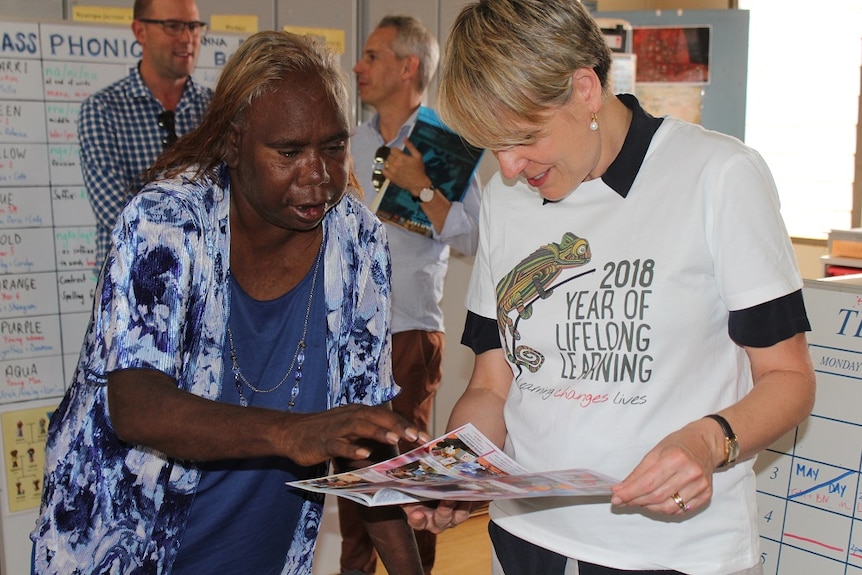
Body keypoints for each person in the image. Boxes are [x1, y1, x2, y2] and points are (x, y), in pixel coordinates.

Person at [405, 1, 816, 574]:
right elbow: (494, 386)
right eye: (492, 146)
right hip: (527, 537)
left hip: (672, 549)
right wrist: (460, 470)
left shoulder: (719, 176)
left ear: (584, 89)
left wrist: (706, 441)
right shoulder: (509, 197)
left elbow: (789, 379)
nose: (508, 168)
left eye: (523, 138)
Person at [31, 30, 427, 575]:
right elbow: (136, 405)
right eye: (289, 152)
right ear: (235, 143)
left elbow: (362, 440)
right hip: (121, 551)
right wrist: (294, 432)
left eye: (333, 147)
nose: (317, 174)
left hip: (262, 554)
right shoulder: (165, 223)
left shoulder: (358, 243)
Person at [340, 15, 482, 575]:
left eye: (372, 57)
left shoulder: (445, 145)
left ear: (408, 66)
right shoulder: (350, 142)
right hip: (347, 333)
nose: (358, 67)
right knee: (351, 470)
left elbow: (471, 236)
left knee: (406, 473)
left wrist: (420, 185)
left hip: (408, 332)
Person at [79, 0, 212, 269]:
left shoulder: (214, 109)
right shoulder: (103, 110)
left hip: (204, 282)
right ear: (140, 32)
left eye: (193, 27)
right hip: (130, 285)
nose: (187, 38)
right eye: (173, 26)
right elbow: (117, 211)